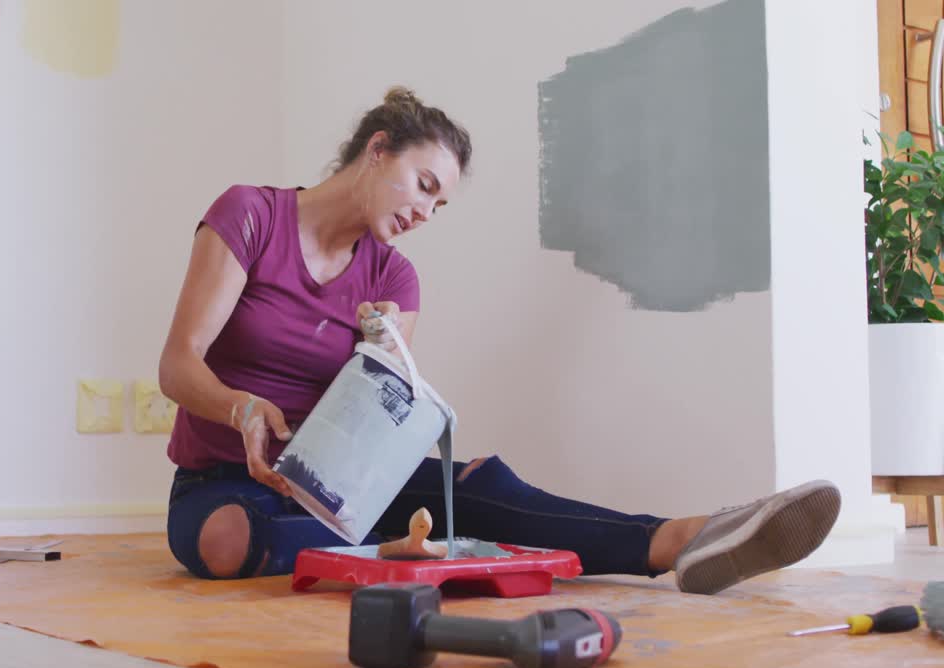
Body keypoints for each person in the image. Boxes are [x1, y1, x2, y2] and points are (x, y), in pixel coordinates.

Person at [157, 86, 840, 594]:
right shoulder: (251, 215)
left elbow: (373, 429)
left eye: (439, 203)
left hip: (339, 491)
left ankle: (680, 539)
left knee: (483, 484)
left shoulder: (395, 276)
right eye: (423, 186)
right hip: (221, 484)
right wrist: (240, 408)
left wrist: (386, 372)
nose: (426, 211)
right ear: (377, 150)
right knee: (226, 542)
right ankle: (406, 546)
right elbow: (178, 364)